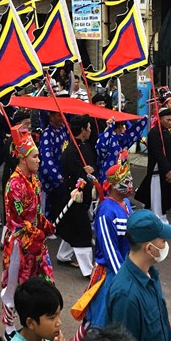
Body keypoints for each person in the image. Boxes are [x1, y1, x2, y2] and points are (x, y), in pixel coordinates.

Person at [71, 153, 134, 341]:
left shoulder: (127, 204)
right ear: (114, 185)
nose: (130, 184)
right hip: (110, 274)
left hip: (125, 270)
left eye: (130, 179)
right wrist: (123, 275)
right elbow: (109, 248)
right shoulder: (107, 210)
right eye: (126, 181)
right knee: (98, 318)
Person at [1, 122, 56, 340]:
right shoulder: (15, 184)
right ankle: (8, 327)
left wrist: (45, 223)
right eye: (35, 157)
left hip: (35, 241)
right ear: (23, 158)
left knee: (43, 282)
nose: (39, 161)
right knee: (14, 285)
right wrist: (35, 232)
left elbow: (36, 212)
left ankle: (38, 323)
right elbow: (18, 220)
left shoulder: (33, 180)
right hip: (18, 243)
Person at [105, 209, 171, 341]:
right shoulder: (126, 295)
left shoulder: (151, 274)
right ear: (149, 248)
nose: (166, 245)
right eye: (163, 240)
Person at [55, 115, 97, 277]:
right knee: (82, 231)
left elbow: (92, 165)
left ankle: (63, 255)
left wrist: (91, 171)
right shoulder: (71, 151)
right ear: (82, 130)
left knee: (72, 227)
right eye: (88, 127)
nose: (90, 130)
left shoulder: (86, 146)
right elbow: (74, 172)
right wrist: (84, 172)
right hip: (74, 196)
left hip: (86, 196)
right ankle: (88, 270)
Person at [137, 107, 171, 224]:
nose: (170, 122)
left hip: (167, 169)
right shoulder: (154, 133)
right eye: (168, 120)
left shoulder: (165, 133)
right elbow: (158, 153)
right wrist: (167, 170)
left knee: (164, 196)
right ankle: (157, 220)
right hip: (158, 170)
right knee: (157, 197)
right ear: (160, 119)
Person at [8, 277, 67, 341]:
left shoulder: (43, 337)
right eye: (52, 318)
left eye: (58, 315)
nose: (59, 323)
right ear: (31, 323)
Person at [38, 110, 69, 215]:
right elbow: (47, 162)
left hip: (64, 179)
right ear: (51, 117)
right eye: (58, 115)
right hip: (52, 182)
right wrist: (59, 178)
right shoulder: (47, 134)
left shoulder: (64, 129)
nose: (62, 118)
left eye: (62, 115)